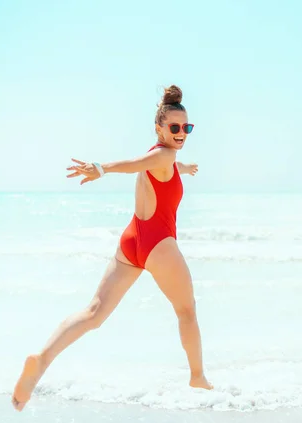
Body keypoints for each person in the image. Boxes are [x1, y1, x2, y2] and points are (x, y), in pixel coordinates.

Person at [11, 85, 212, 412]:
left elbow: (160, 166)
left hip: (132, 241)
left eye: (186, 128)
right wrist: (102, 168)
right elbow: (136, 163)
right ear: (159, 128)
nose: (181, 133)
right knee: (186, 311)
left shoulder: (167, 158)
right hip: (159, 244)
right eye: (174, 127)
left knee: (93, 314)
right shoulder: (163, 155)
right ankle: (197, 377)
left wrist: (184, 168)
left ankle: (42, 360)